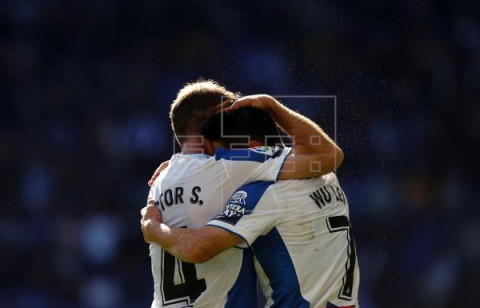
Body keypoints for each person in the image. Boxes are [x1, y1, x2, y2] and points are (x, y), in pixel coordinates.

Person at [144, 79, 343, 308]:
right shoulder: (234, 165)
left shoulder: (160, 181)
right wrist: (270, 105)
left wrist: (153, 228)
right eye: (231, 108)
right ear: (215, 116)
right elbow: (329, 156)